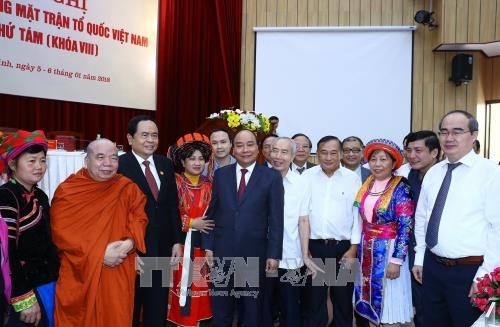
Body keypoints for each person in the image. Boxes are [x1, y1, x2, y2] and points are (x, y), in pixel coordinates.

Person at [413, 110, 500, 326]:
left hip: (470, 271)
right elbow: (422, 218)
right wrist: (420, 258)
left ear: (474, 135)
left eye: (457, 132)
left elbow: (497, 228)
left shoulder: (491, 174)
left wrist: (486, 276)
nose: (449, 138)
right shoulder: (434, 172)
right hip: (432, 267)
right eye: (444, 132)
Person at [51, 138, 148, 326]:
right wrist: (100, 254)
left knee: (115, 316)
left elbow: (140, 218)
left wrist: (129, 243)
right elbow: (61, 233)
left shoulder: (127, 188)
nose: (108, 164)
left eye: (114, 158)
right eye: (100, 157)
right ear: (86, 161)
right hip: (80, 271)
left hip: (118, 267)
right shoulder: (69, 191)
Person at [201, 129, 284, 326]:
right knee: (221, 311)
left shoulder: (271, 177)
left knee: (251, 312)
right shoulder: (221, 175)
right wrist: (208, 246)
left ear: (258, 148)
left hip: (254, 256)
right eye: (239, 145)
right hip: (222, 254)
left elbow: (276, 219)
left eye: (250, 145)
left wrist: (273, 254)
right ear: (232, 148)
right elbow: (212, 213)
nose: (244, 149)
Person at [117, 115, 184, 327]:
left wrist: (176, 240)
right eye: (144, 135)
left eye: (154, 135)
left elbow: (172, 205)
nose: (150, 140)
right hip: (134, 249)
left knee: (156, 308)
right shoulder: (119, 166)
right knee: (131, 306)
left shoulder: (165, 163)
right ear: (130, 138)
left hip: (162, 246)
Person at [0, 130, 59, 327]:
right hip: (24, 290)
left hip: (46, 283)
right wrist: (23, 298)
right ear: (12, 164)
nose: (39, 167)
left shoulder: (40, 195)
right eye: (31, 161)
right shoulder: (6, 197)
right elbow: (7, 253)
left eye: (43, 161)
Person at [353, 138, 415, 326]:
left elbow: (406, 226)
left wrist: (396, 261)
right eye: (373, 159)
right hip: (367, 250)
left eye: (383, 159)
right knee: (370, 302)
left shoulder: (401, 187)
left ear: (394, 162)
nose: (377, 164)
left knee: (389, 306)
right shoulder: (367, 184)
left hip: (389, 250)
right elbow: (360, 218)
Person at [262, 137, 323, 327]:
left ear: (293, 156)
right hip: (262, 256)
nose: (278, 156)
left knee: (291, 307)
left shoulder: (301, 183)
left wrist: (305, 256)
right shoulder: (259, 178)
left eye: (284, 152)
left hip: (291, 257)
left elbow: (303, 220)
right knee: (263, 307)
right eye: (275, 151)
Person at [302, 135, 361, 327]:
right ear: (316, 154)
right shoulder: (307, 177)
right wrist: (305, 249)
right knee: (315, 301)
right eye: (324, 153)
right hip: (315, 249)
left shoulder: (353, 179)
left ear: (341, 154)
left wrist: (353, 249)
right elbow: (301, 215)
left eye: (333, 153)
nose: (328, 157)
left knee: (343, 300)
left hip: (344, 249)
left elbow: (358, 216)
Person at [167, 133, 214, 326]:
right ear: (183, 161)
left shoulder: (210, 185)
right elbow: (169, 213)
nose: (197, 163)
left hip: (203, 245)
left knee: (201, 290)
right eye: (192, 158)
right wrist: (192, 222)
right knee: (182, 287)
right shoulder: (174, 183)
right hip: (181, 244)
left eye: (201, 159)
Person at [404, 130, 440, 327]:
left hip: (438, 251)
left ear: (434, 152)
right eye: (408, 150)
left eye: (418, 150)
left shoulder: (444, 176)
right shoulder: (407, 176)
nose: (412, 155)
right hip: (411, 248)